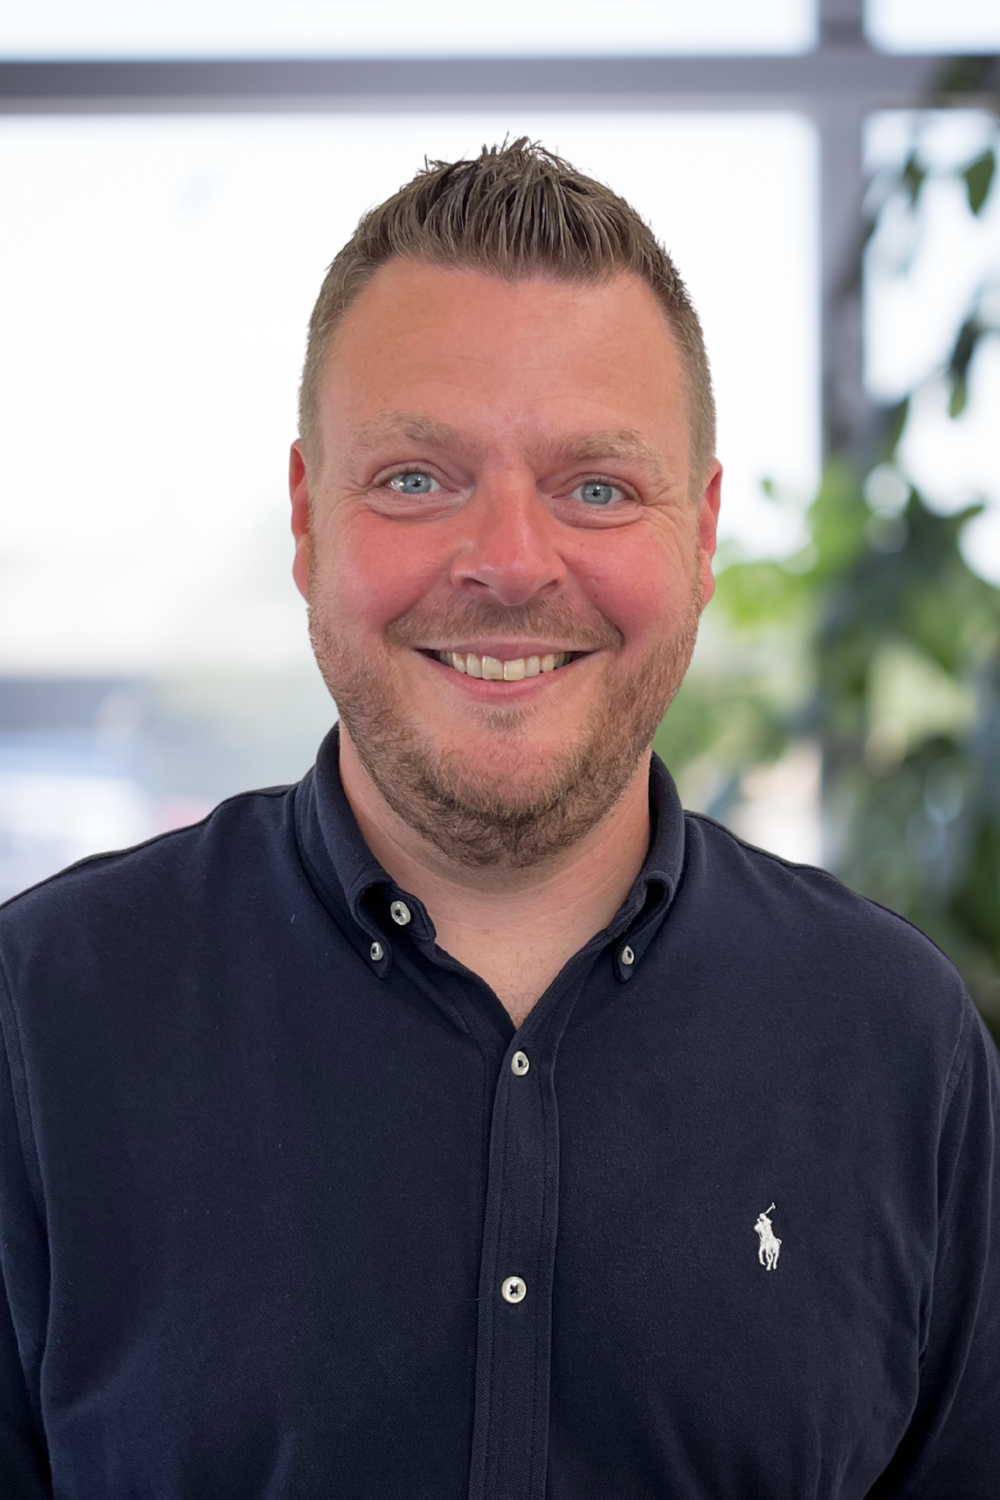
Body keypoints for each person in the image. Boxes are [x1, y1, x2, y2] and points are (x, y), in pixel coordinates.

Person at [0, 140, 997, 1499]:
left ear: (703, 533)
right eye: (418, 478)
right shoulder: (41, 1024)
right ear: (307, 521)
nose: (513, 565)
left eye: (598, 487)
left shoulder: (901, 1045)